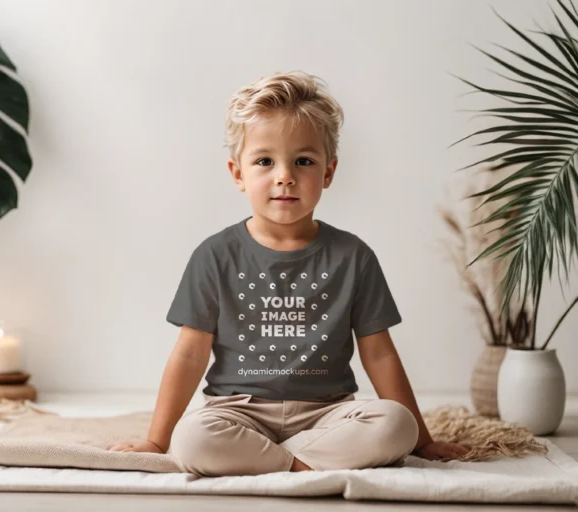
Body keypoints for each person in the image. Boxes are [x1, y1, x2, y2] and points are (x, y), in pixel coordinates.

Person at [108, 71, 470, 476]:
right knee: (192, 438)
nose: (285, 175)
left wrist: (422, 439)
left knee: (394, 425)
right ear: (238, 173)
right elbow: (190, 353)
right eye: (265, 161)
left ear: (328, 173)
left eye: (303, 161)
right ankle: (306, 464)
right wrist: (157, 441)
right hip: (239, 414)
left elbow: (380, 352)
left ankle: (269, 462)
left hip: (327, 414)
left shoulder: (353, 256)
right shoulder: (214, 256)